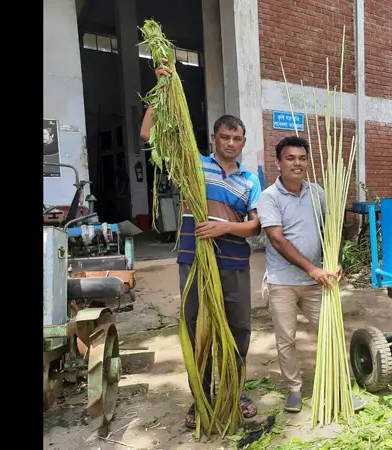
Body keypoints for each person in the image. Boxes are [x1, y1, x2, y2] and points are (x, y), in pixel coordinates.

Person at [140, 59, 261, 429]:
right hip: (194, 260)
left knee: (238, 327)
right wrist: (161, 92)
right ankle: (202, 398)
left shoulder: (250, 180)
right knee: (197, 328)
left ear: (242, 142)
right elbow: (149, 135)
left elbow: (256, 225)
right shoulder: (194, 164)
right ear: (214, 139)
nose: (230, 143)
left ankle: (235, 392)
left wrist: (224, 228)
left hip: (235, 263)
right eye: (224, 137)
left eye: (236, 138)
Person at [257, 135, 365, 413]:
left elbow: (334, 228)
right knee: (286, 340)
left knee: (331, 332)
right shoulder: (268, 197)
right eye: (290, 158)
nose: (297, 163)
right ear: (279, 162)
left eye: (302, 158)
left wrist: (335, 260)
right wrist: (311, 268)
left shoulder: (317, 192)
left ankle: (340, 387)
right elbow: (277, 239)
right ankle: (294, 389)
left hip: (319, 281)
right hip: (283, 282)